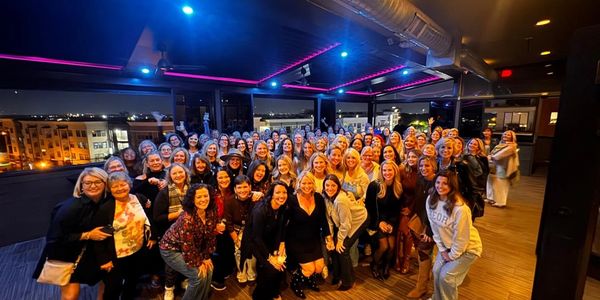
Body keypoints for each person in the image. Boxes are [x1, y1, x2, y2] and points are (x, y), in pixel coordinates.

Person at [33, 167, 111, 300]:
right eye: (88, 183)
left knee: (106, 282)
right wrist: (87, 235)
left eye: (98, 182)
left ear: (105, 183)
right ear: (81, 186)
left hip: (88, 252)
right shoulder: (71, 208)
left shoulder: (103, 202)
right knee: (71, 295)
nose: (93, 186)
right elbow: (53, 238)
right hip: (66, 254)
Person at [94, 172, 156, 300]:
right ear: (110, 189)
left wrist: (152, 236)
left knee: (132, 281)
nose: (120, 188)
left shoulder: (139, 198)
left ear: (129, 185)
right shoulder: (106, 209)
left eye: (123, 184)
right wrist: (104, 259)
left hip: (137, 250)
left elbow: (149, 218)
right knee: (113, 286)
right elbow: (100, 237)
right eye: (115, 186)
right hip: (115, 255)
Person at [159, 184, 223, 300]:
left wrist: (206, 256)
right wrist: (199, 262)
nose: (203, 199)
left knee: (209, 269)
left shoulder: (211, 211)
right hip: (171, 249)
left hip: (192, 248)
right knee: (198, 276)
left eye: (205, 195)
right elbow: (187, 246)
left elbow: (210, 236)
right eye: (199, 197)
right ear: (192, 199)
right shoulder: (187, 218)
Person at [427, 171, 482, 300]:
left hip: (469, 249)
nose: (440, 186)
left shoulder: (460, 209)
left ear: (452, 186)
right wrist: (442, 250)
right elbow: (434, 228)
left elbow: (462, 239)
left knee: (446, 277)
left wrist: (451, 256)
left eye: (445, 183)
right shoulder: (431, 200)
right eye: (438, 182)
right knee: (436, 271)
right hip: (447, 247)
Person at [286, 171, 334, 299]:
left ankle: (308, 280)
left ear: (313, 184)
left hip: (313, 239)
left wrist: (328, 238)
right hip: (296, 240)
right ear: (298, 183)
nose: (306, 186)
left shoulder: (318, 198)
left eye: (309, 183)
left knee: (318, 268)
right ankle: (295, 284)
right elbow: (283, 222)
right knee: (309, 269)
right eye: (304, 183)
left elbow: (323, 221)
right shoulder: (291, 199)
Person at [241, 181, 289, 300]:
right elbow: (256, 238)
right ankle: (259, 296)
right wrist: (270, 257)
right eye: (278, 192)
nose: (281, 195)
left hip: (271, 240)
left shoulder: (283, 206)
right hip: (256, 242)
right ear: (272, 193)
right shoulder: (261, 210)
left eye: (284, 192)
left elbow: (281, 228)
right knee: (271, 269)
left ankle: (274, 292)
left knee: (281, 266)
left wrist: (281, 246)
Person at [322, 174, 368, 291]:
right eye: (327, 185)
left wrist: (341, 240)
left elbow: (346, 224)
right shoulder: (326, 198)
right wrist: (331, 238)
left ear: (338, 187)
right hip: (345, 222)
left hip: (359, 219)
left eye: (333, 185)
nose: (330, 188)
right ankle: (337, 276)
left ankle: (349, 281)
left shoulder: (340, 200)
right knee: (334, 248)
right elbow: (330, 220)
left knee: (342, 249)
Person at [153, 163, 190, 299]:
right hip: (171, 233)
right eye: (174, 173)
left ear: (186, 173)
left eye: (180, 172)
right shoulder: (164, 193)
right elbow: (157, 217)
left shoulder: (192, 189)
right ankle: (169, 287)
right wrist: (178, 214)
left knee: (188, 258)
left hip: (190, 231)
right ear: (170, 176)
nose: (178, 175)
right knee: (171, 264)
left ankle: (185, 280)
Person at [406, 156, 437, 298]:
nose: (424, 168)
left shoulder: (437, 183)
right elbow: (418, 200)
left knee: (424, 252)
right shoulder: (421, 179)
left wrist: (428, 229)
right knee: (421, 250)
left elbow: (435, 209)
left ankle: (421, 287)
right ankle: (424, 275)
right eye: (422, 166)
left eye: (427, 166)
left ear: (433, 167)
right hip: (419, 218)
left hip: (431, 223)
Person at [365, 160, 402, 281]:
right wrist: (379, 222)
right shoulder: (374, 185)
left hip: (391, 221)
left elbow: (397, 210)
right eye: (384, 170)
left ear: (395, 171)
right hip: (377, 221)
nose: (387, 172)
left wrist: (391, 223)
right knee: (384, 246)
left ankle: (386, 267)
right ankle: (374, 265)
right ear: (381, 171)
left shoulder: (398, 187)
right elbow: (369, 208)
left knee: (391, 246)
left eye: (389, 170)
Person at [225, 175, 257, 283]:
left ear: (250, 187)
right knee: (238, 250)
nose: (242, 190)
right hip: (237, 230)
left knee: (252, 250)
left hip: (252, 230)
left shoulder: (255, 199)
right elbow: (229, 224)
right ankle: (241, 271)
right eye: (239, 187)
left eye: (245, 187)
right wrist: (236, 240)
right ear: (234, 189)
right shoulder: (229, 201)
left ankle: (251, 272)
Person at [396, 149, 421, 274]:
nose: (411, 159)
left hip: (415, 206)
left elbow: (420, 195)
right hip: (401, 204)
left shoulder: (422, 173)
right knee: (400, 231)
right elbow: (398, 189)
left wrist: (411, 209)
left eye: (414, 157)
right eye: (409, 156)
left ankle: (405, 259)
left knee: (406, 232)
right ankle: (397, 257)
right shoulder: (403, 170)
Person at [487, 130, 519, 208]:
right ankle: (491, 198)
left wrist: (490, 157)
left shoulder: (511, 146)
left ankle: (501, 202)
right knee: (492, 183)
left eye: (508, 135)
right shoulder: (501, 144)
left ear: (512, 137)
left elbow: (498, 156)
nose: (505, 136)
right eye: (504, 134)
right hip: (494, 166)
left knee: (501, 185)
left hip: (503, 168)